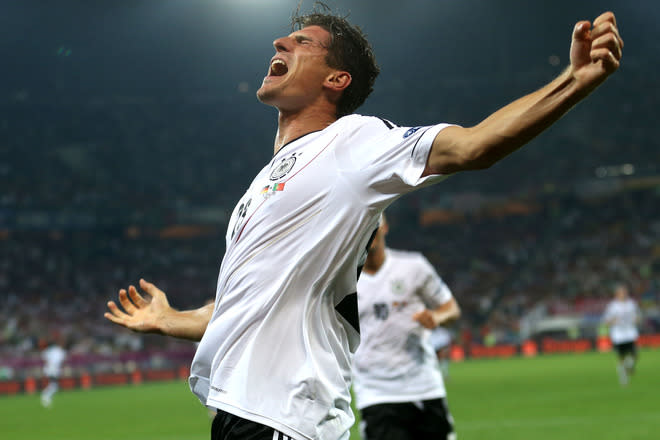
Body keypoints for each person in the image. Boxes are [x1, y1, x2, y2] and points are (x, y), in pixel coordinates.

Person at [104, 5, 623, 440]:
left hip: (283, 413)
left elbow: (473, 145)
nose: (280, 39)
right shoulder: (261, 184)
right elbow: (252, 303)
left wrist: (573, 82)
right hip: (241, 411)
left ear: (337, 79)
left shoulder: (354, 141)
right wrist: (170, 319)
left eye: (301, 41)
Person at [352, 214, 460, 440]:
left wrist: (437, 317)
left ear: (385, 227)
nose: (370, 229)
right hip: (376, 393)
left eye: (375, 222)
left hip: (424, 387)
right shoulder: (343, 279)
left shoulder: (414, 266)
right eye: (363, 224)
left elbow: (451, 310)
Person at [603, 283, 641, 386]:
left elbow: (637, 316)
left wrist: (637, 319)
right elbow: (607, 321)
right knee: (621, 357)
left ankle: (629, 365)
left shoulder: (632, 304)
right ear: (617, 294)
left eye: (625, 292)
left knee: (635, 354)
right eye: (621, 293)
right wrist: (612, 321)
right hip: (618, 335)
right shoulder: (612, 306)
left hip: (630, 332)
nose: (624, 294)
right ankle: (623, 377)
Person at [40, 339, 67, 408]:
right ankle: (45, 395)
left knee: (54, 385)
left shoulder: (52, 350)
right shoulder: (61, 352)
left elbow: (44, 356)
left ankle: (47, 396)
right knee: (54, 385)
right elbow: (61, 362)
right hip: (53, 369)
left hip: (49, 369)